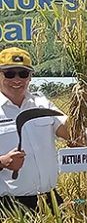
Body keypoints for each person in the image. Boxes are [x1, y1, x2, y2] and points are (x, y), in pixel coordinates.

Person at [0, 47, 70, 212]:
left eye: (23, 74)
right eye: (9, 73)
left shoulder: (43, 104)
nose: (17, 79)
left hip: (50, 200)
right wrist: (2, 162)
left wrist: (81, 102)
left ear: (30, 77)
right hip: (9, 205)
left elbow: (70, 133)